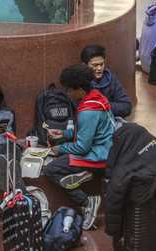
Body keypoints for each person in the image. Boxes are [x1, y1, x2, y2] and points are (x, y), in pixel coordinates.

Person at [43, 64, 115, 230]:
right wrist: (63, 134)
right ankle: (82, 174)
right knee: (61, 159)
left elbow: (82, 147)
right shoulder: (95, 97)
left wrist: (59, 149)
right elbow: (86, 131)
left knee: (51, 169)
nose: (67, 94)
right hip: (105, 147)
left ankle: (87, 201)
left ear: (80, 90)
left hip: (99, 156)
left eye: (69, 90)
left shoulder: (88, 111)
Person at [80, 44, 132, 118]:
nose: (99, 68)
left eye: (102, 64)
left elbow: (126, 106)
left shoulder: (111, 79)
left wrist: (101, 106)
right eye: (95, 65)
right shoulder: (80, 82)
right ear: (85, 65)